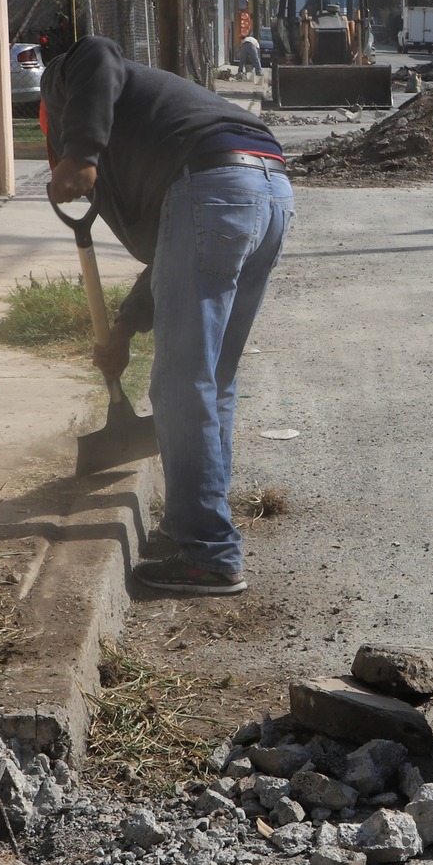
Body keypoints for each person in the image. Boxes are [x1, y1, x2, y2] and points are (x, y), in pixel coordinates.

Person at [42, 35, 293, 595]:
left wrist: (79, 152)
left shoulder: (67, 85)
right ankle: (197, 530)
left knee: (182, 383)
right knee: (212, 379)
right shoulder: (149, 134)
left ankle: (208, 552)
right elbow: (172, 250)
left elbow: (96, 52)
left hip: (213, 185)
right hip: (269, 188)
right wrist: (126, 329)